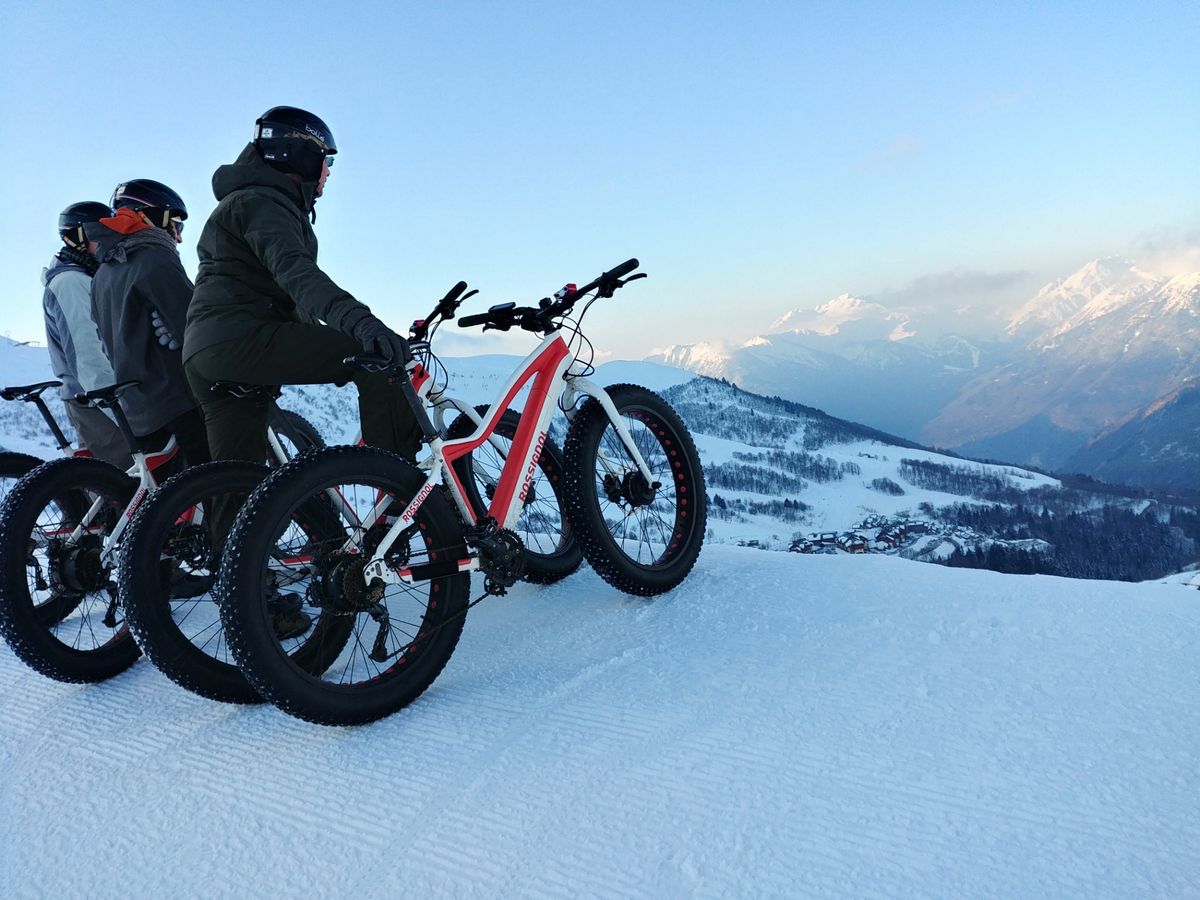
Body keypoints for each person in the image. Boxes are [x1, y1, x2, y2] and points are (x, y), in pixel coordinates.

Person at [183, 106, 421, 469]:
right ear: (299, 154)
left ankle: (227, 527)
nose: (327, 172)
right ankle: (401, 492)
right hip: (240, 339)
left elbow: (281, 290)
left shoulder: (250, 200)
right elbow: (296, 272)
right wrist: (361, 323)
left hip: (204, 353)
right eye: (325, 160)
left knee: (238, 488)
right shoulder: (263, 201)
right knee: (376, 360)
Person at [84, 180, 210, 471]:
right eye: (176, 224)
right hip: (176, 400)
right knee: (221, 484)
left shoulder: (102, 273)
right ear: (152, 216)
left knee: (169, 503)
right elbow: (192, 324)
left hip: (136, 405)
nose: (178, 237)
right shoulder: (154, 256)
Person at [41, 202, 133, 469]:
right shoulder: (70, 282)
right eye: (102, 233)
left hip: (98, 396)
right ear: (81, 238)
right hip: (96, 400)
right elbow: (86, 354)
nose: (110, 240)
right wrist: (117, 407)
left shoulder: (85, 277)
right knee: (127, 484)